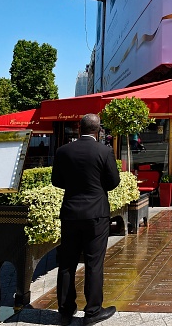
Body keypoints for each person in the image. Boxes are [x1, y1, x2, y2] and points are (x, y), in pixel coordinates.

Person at [51, 114, 120, 326]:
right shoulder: (104, 151)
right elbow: (113, 181)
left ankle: (65, 311)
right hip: (96, 214)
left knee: (66, 263)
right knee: (94, 263)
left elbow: (56, 180)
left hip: (71, 212)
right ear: (98, 130)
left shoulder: (63, 151)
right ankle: (92, 312)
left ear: (79, 128)